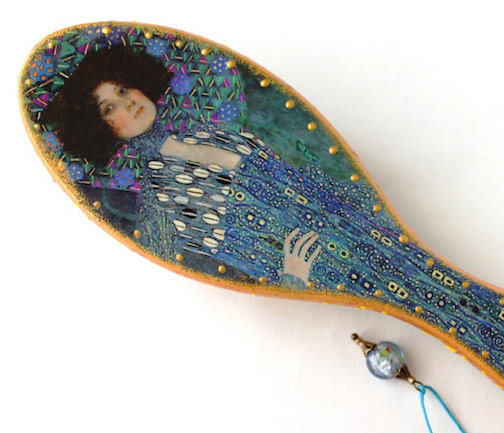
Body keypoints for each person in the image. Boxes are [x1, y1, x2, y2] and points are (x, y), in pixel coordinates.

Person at [44, 46, 321, 286]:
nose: (127, 102)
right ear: (102, 129)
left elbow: (292, 178)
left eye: (123, 89)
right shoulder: (157, 202)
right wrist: (293, 278)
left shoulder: (209, 133)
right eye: (109, 108)